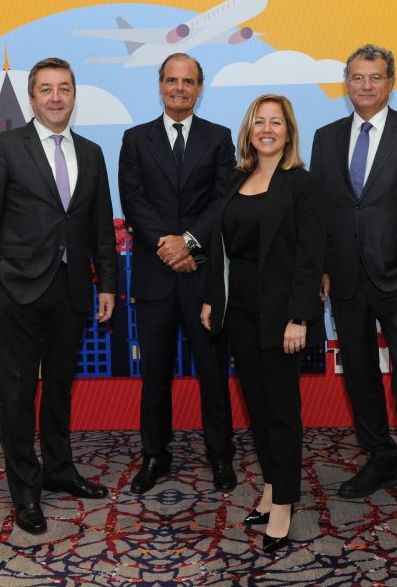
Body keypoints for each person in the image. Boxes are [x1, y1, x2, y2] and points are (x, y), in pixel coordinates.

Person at [0, 57, 117, 535]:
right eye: (46, 89)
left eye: (64, 88)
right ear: (32, 98)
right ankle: (25, 490)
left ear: (74, 96)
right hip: (18, 289)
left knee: (58, 386)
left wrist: (107, 283)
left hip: (72, 289)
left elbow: (100, 226)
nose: (56, 97)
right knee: (17, 392)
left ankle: (59, 469)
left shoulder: (92, 152)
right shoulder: (5, 146)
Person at [309, 44, 397, 524]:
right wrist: (322, 266)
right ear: (345, 83)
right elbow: (320, 211)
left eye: (375, 77)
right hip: (346, 279)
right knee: (361, 377)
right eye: (357, 77)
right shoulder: (326, 138)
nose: (365, 85)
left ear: (391, 82)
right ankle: (380, 460)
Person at [201, 94, 326, 554]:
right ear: (249, 130)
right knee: (256, 405)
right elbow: (220, 247)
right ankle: (272, 488)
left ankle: (285, 503)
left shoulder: (302, 184)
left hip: (281, 315)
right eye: (259, 122)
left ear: (288, 131)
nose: (267, 129)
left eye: (276, 122)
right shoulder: (238, 178)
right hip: (238, 311)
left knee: (281, 411)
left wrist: (299, 317)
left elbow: (311, 256)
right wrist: (214, 299)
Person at [119, 52, 237, 493]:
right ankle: (155, 454)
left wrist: (187, 242)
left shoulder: (219, 138)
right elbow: (133, 200)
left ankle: (220, 455)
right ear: (160, 85)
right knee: (154, 374)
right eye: (172, 80)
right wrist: (167, 247)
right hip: (154, 274)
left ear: (200, 88)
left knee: (213, 372)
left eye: (188, 81)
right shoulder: (136, 139)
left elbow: (223, 200)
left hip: (203, 274)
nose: (179, 88)